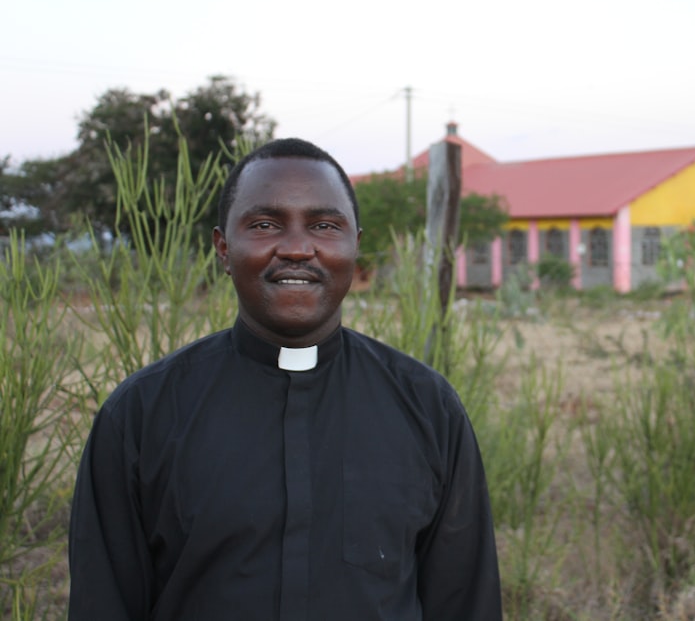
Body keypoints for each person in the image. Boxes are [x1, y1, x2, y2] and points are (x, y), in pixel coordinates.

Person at [68, 138, 503, 620]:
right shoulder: (141, 416)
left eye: (324, 225)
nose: (297, 248)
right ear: (223, 247)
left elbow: (465, 603)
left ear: (355, 246)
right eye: (264, 225)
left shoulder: (428, 408)